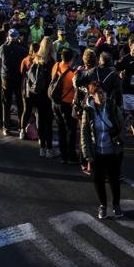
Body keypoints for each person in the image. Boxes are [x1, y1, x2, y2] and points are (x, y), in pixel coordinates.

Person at [79, 82, 125, 219]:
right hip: (97, 152)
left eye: (104, 92)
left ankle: (116, 205)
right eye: (99, 92)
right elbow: (84, 133)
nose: (103, 95)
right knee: (98, 180)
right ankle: (103, 205)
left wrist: (120, 141)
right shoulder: (88, 111)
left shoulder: (111, 106)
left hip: (113, 151)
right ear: (93, 95)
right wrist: (87, 153)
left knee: (114, 180)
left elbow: (122, 126)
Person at [50, 48, 80, 164]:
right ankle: (71, 155)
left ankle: (64, 155)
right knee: (71, 130)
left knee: (61, 129)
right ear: (72, 59)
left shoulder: (56, 65)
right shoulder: (71, 74)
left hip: (55, 102)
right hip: (67, 104)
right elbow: (77, 87)